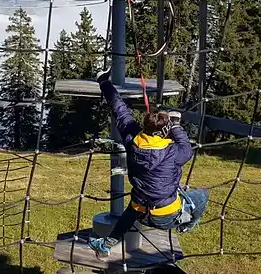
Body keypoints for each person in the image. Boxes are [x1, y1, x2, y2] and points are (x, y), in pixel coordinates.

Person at [89, 68, 208, 259]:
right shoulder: (172, 152)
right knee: (202, 195)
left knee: (134, 207)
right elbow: (186, 147)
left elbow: (118, 107)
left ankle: (106, 244)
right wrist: (176, 126)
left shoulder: (132, 140)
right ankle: (187, 224)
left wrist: (103, 81)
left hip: (140, 210)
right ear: (164, 132)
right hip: (166, 217)